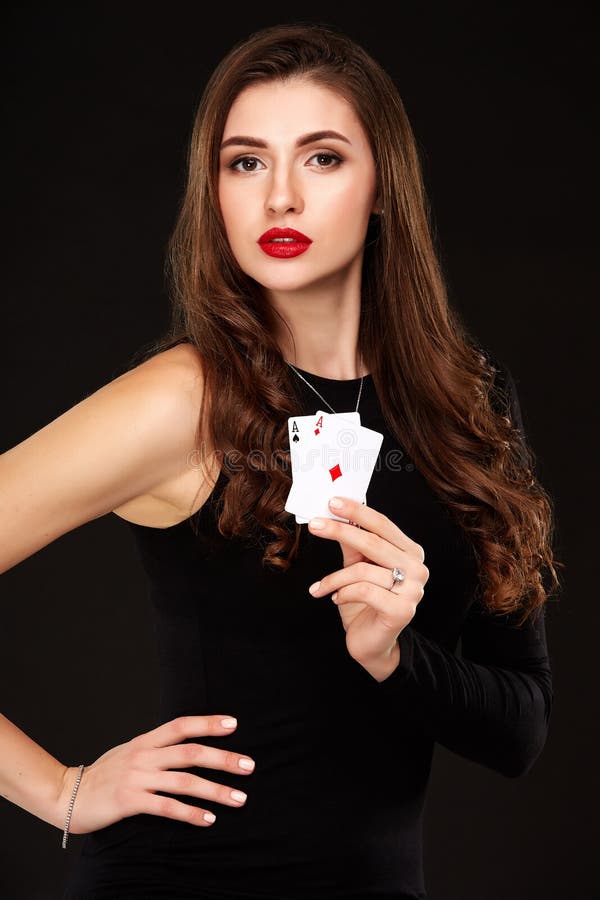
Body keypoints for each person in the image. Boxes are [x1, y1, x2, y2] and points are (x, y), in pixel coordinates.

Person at [0, 21, 561, 900]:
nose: (280, 200)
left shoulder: (471, 405)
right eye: (246, 162)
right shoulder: (181, 401)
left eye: (323, 158)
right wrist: (61, 792)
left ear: (382, 188)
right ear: (214, 190)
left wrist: (394, 656)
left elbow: (520, 730)